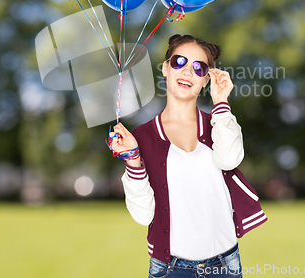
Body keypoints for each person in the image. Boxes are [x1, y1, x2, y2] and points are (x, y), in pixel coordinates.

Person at [107, 34, 267, 278]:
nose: (187, 72)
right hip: (169, 269)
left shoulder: (219, 123)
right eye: (178, 62)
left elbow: (230, 160)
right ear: (165, 68)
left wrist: (221, 101)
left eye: (199, 67)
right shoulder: (141, 137)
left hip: (224, 265)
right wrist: (133, 159)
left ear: (206, 80)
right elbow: (143, 215)